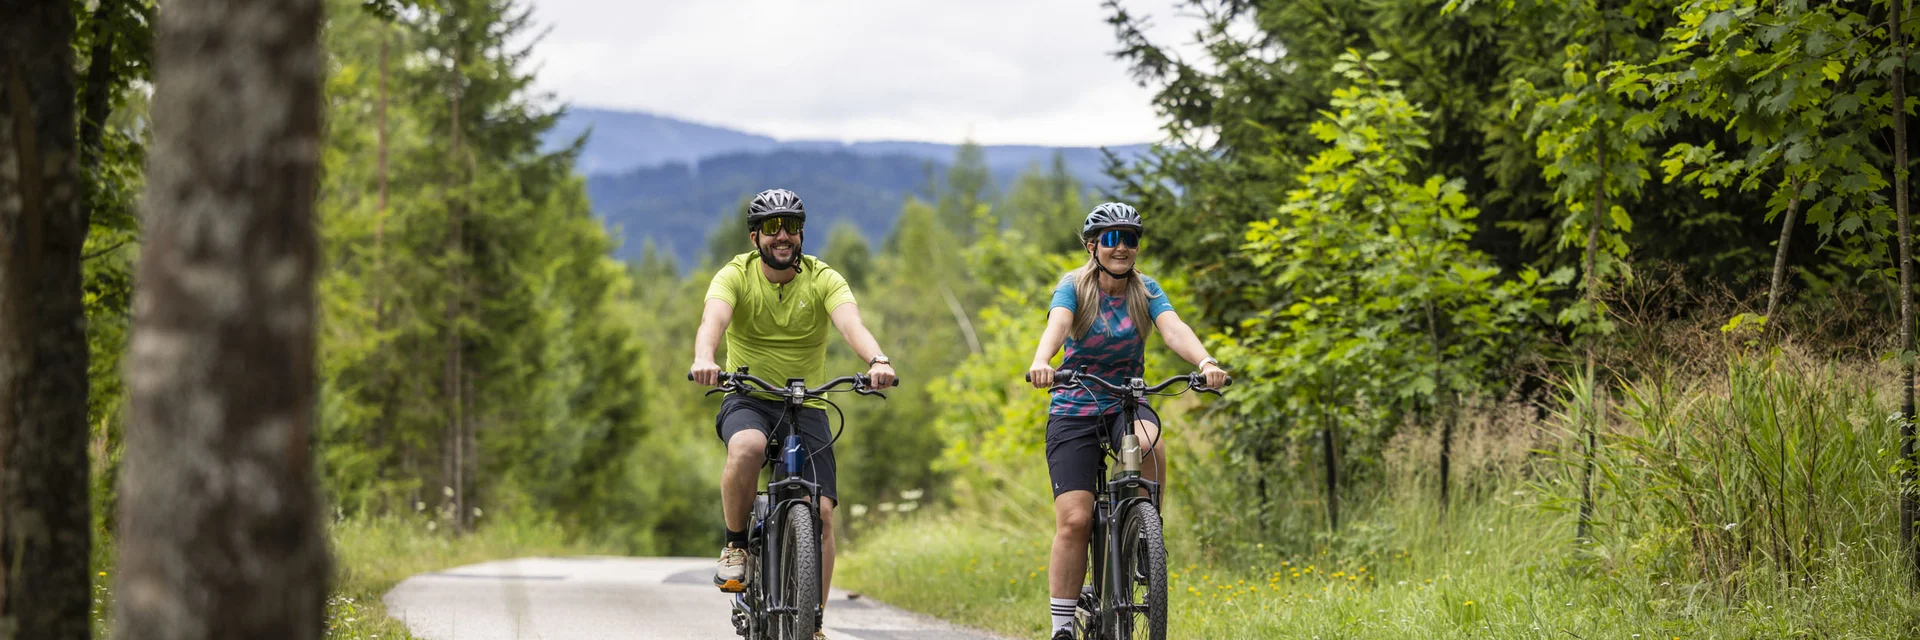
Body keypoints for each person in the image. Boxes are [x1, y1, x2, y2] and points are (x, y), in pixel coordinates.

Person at [689, 188, 896, 639]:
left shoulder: (823, 278)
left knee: (820, 512)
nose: (782, 235)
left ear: (801, 234)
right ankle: (736, 546)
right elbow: (713, 322)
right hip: (748, 394)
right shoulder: (735, 275)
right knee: (747, 447)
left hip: (807, 402)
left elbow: (850, 324)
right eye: (771, 227)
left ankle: (812, 623)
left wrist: (876, 361)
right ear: (754, 236)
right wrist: (705, 358)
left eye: (792, 226)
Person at [1025, 202, 1228, 640]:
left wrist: (1205, 360)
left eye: (1131, 239)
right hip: (1074, 407)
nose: (1122, 248)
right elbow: (1058, 325)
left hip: (1125, 403)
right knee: (1075, 520)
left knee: (1151, 443)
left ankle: (1143, 533)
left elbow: (1173, 328)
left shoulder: (1145, 290)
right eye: (1112, 239)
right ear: (1092, 246)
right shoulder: (1074, 287)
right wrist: (1043, 360)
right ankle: (1062, 627)